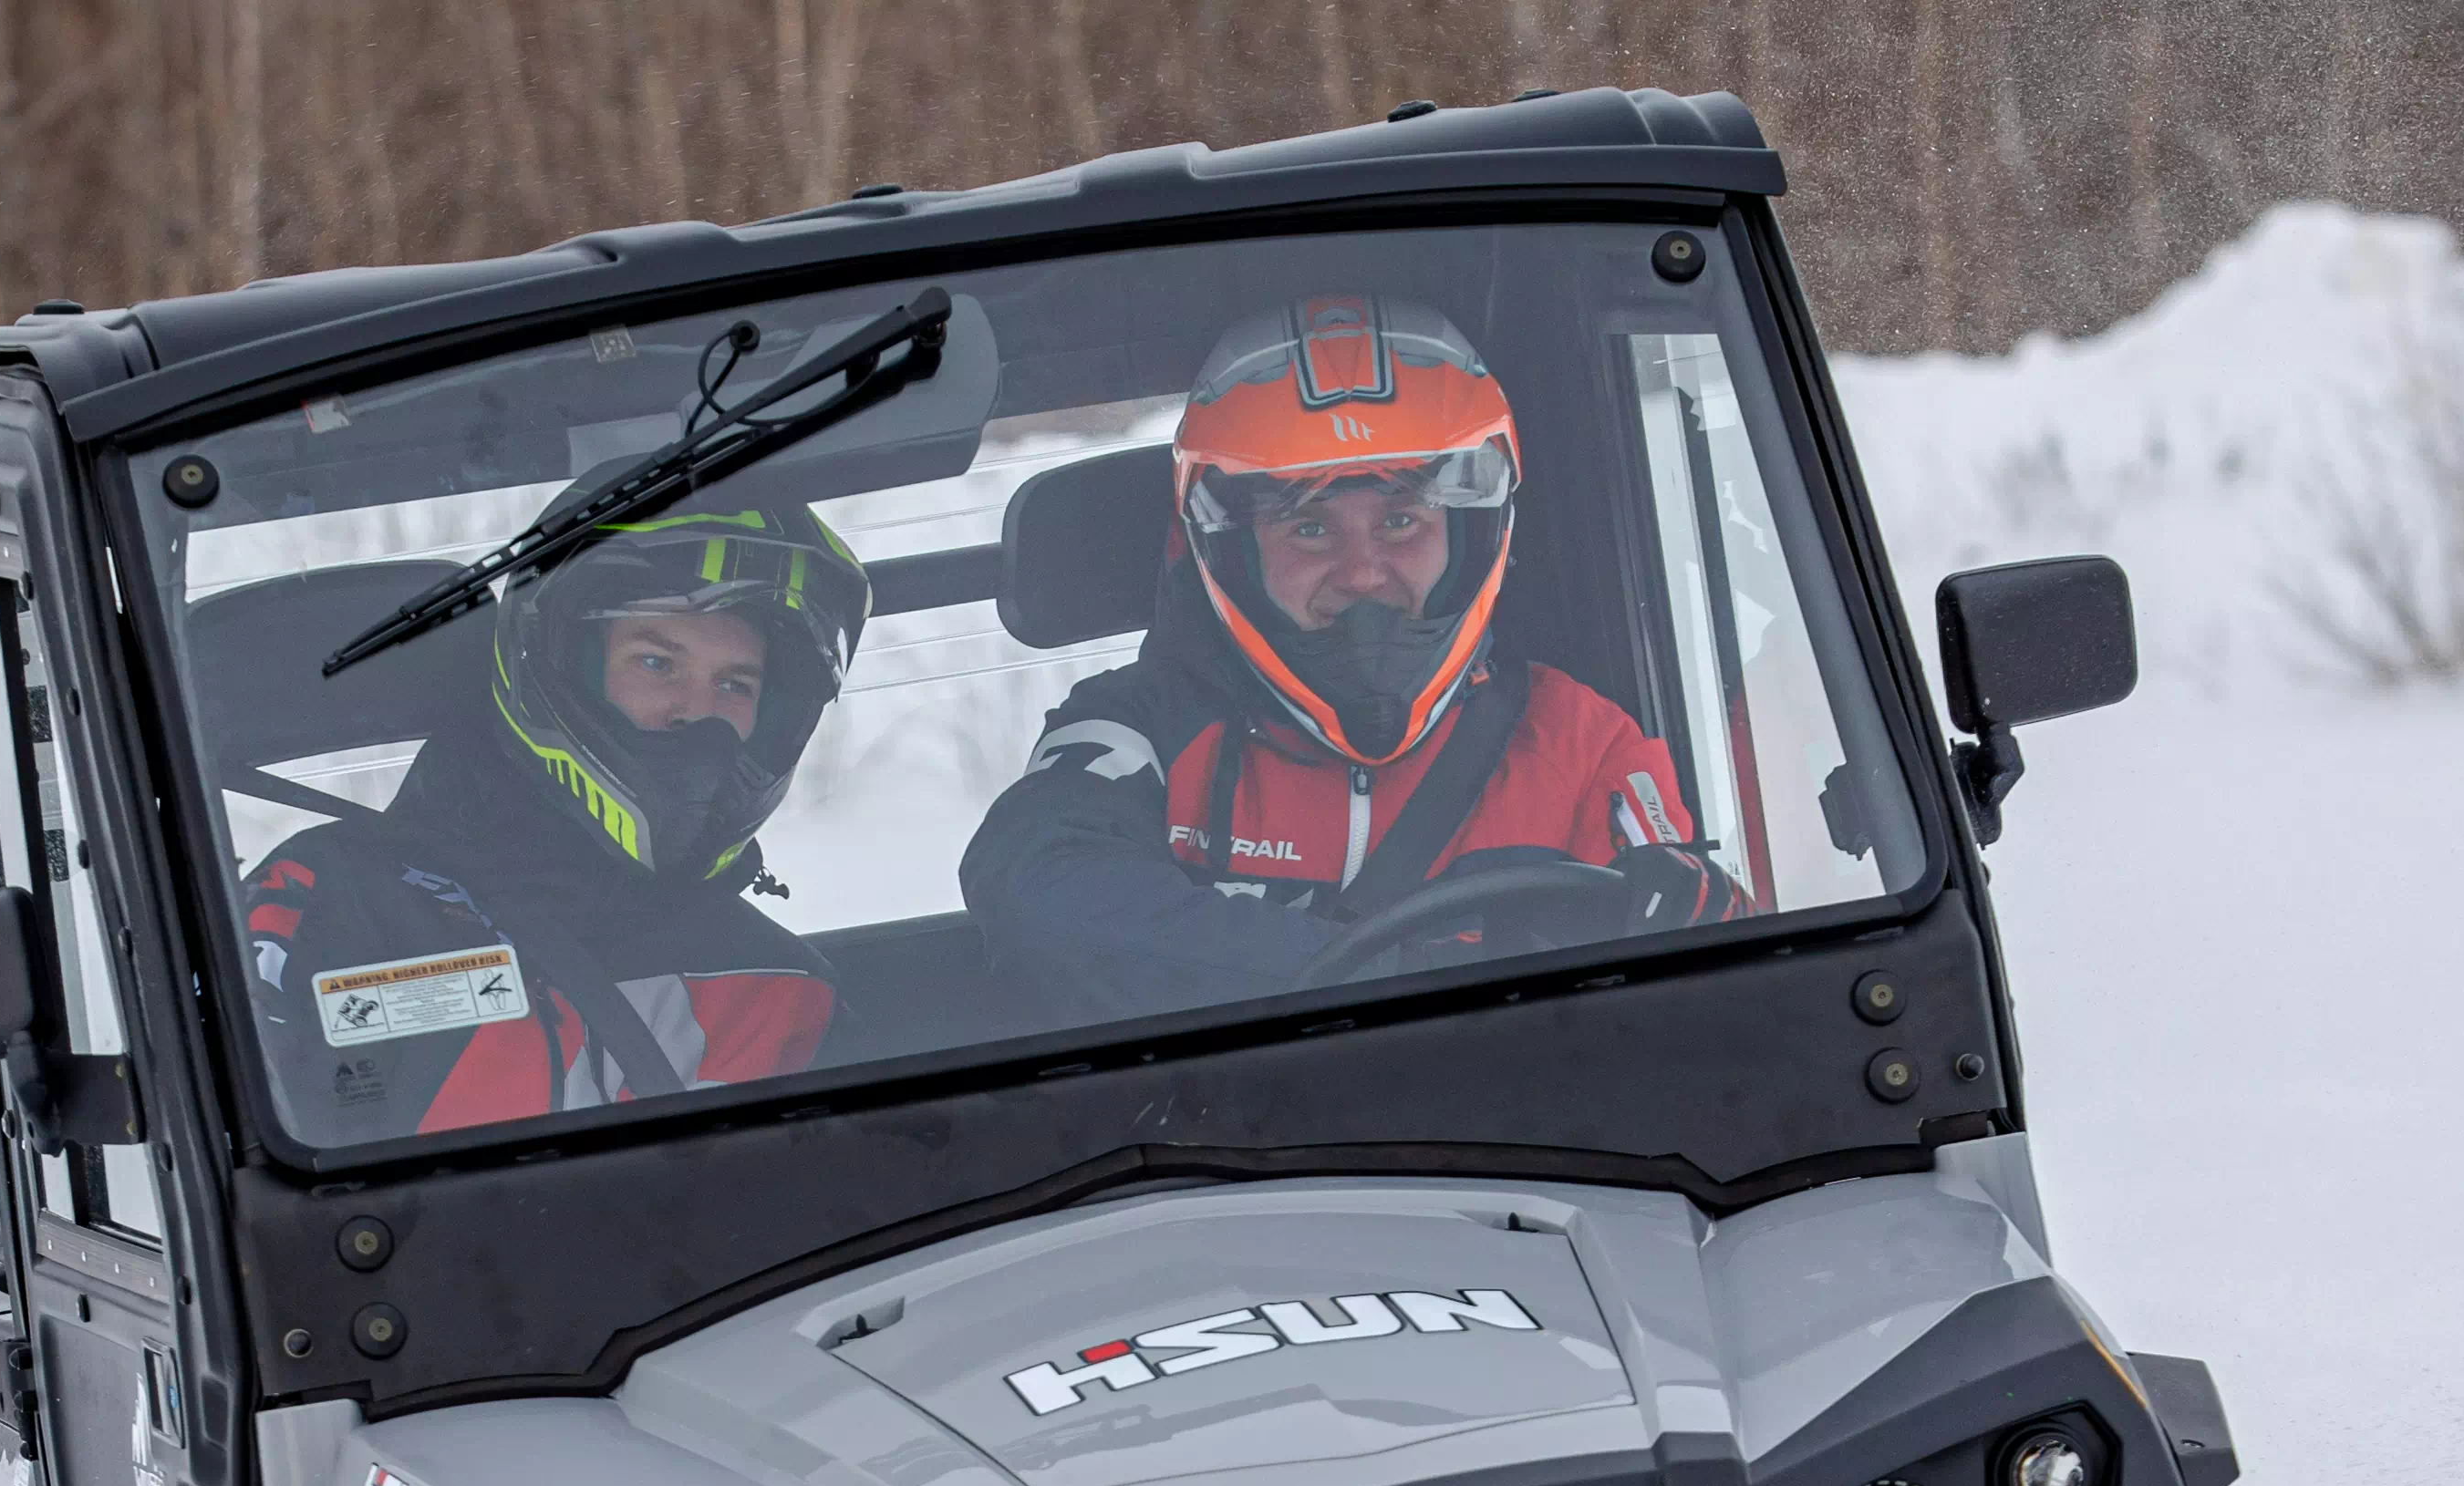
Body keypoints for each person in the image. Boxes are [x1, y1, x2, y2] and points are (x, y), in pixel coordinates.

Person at [959, 290, 1753, 1023]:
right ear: (1231, 552)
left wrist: (1700, 916)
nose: (1364, 572)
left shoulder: (1580, 743)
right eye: (1311, 528)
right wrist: (1407, 981)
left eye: (1402, 522)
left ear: (1473, 535)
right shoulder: (1139, 727)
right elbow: (1035, 889)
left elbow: (1692, 1010)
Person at [242, 501, 869, 1136]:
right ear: (564, 664)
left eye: (735, 685)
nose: (695, 714)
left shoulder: (785, 989)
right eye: (657, 663)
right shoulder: (335, 902)